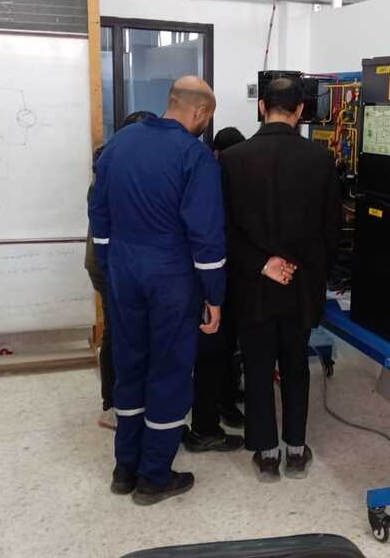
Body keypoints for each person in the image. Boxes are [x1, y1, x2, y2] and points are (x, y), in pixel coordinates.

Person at [89, 76, 225, 505]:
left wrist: (112, 267)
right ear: (200, 112)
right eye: (207, 118)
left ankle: (124, 468)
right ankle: (154, 476)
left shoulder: (119, 145)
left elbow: (99, 215)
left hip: (123, 273)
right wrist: (214, 296)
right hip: (171, 279)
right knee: (169, 373)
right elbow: (206, 235)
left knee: (129, 366)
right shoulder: (193, 156)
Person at [220, 78, 341, 481]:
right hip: (300, 286)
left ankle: (267, 454)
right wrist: (303, 271)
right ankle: (296, 449)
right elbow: (331, 231)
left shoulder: (232, 159)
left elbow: (224, 230)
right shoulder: (320, 159)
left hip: (252, 285)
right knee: (295, 365)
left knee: (257, 367)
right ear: (300, 111)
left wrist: (264, 263)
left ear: (262, 107)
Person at [86, 110, 156, 431]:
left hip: (118, 261)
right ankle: (113, 404)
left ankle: (131, 400)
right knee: (117, 331)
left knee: (127, 331)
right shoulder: (111, 168)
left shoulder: (116, 162)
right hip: (108, 264)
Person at [184, 127, 247, 453]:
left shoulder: (213, 176)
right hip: (212, 282)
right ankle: (207, 422)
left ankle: (224, 400)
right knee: (212, 352)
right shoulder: (208, 179)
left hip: (219, 279)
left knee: (223, 348)